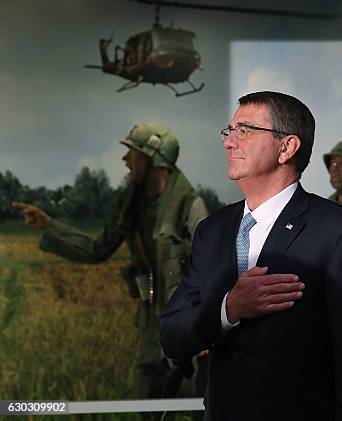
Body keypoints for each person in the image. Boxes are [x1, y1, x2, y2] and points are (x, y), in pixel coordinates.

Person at [159, 91, 342, 421]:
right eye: (230, 131)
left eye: (245, 130)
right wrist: (228, 309)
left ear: (287, 147)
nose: (229, 142)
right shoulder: (212, 231)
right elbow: (171, 335)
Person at [13, 123, 208, 401]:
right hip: (152, 323)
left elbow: (211, 269)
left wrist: (208, 325)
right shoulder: (130, 205)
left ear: (154, 158)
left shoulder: (190, 206)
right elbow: (97, 249)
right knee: (147, 396)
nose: (125, 160)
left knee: (193, 399)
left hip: (187, 324)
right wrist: (48, 225)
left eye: (133, 153)